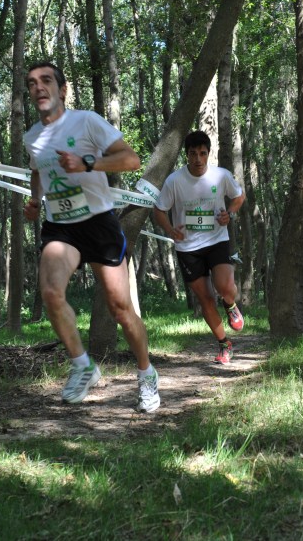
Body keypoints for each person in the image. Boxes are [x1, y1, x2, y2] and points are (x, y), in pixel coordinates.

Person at [22, 60, 159, 413]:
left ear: (63, 89)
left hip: (98, 221)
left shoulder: (87, 121)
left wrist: (87, 163)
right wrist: (35, 201)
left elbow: (131, 159)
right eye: (32, 83)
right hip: (61, 226)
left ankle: (146, 374)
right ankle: (83, 365)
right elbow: (37, 170)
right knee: (51, 292)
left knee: (120, 309)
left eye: (46, 80)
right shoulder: (32, 137)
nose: (38, 87)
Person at [153, 130, 246, 365]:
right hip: (188, 248)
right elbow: (159, 210)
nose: (198, 159)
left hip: (216, 240)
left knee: (225, 286)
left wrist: (229, 214)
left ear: (208, 154)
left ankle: (230, 304)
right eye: (193, 153)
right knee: (206, 299)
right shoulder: (174, 181)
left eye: (202, 153)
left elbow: (239, 197)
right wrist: (170, 229)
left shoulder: (221, 176)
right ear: (186, 155)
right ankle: (224, 344)